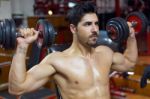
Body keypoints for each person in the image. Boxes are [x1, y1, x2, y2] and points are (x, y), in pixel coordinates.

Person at [8, 1, 138, 99]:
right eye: (87, 24)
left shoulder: (104, 53)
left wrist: (131, 35)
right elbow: (17, 88)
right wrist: (22, 46)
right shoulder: (58, 61)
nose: (95, 30)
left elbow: (129, 63)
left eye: (96, 23)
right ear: (73, 29)